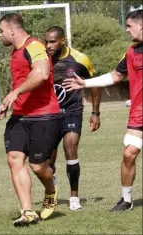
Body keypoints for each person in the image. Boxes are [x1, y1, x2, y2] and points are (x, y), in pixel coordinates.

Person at [63, 9, 142, 211]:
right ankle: (126, 199)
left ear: (141, 25)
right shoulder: (132, 52)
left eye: (129, 26)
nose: (127, 30)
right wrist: (85, 83)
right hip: (139, 114)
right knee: (128, 155)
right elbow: (116, 76)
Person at [0, 13, 61, 226]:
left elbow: (42, 73)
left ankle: (50, 190)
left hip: (45, 115)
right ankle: (28, 212)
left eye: (1, 31)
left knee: (37, 166)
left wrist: (16, 93)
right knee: (14, 158)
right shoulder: (15, 52)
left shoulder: (34, 46)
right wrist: (9, 100)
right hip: (20, 116)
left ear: (12, 30)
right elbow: (23, 82)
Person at [45, 26, 102, 210]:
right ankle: (51, 189)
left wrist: (95, 113)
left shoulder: (79, 59)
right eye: (46, 41)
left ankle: (74, 198)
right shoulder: (43, 59)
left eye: (52, 42)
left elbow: (94, 85)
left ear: (63, 41)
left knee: (70, 149)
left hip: (72, 111)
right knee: (47, 160)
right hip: (49, 114)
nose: (48, 45)